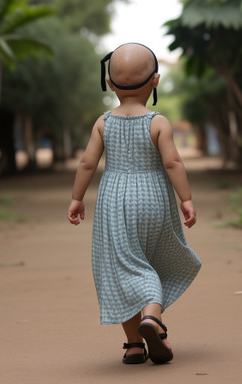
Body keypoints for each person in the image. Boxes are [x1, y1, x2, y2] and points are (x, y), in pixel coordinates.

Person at [68, 43, 201, 365]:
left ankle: (133, 344)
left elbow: (87, 163)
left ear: (110, 84)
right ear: (155, 81)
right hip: (154, 197)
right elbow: (173, 164)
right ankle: (152, 319)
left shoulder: (104, 122)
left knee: (120, 267)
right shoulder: (158, 121)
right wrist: (186, 199)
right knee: (151, 261)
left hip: (114, 199)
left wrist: (76, 198)